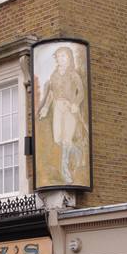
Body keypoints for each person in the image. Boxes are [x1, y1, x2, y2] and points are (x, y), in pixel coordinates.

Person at [38, 45, 87, 184]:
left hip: (69, 108)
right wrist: (45, 108)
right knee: (57, 139)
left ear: (69, 58)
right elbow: (51, 94)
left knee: (66, 140)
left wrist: (75, 103)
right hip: (57, 108)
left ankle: (65, 170)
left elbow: (81, 92)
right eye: (58, 56)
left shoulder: (73, 74)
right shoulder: (53, 75)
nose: (61, 59)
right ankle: (78, 151)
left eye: (63, 56)